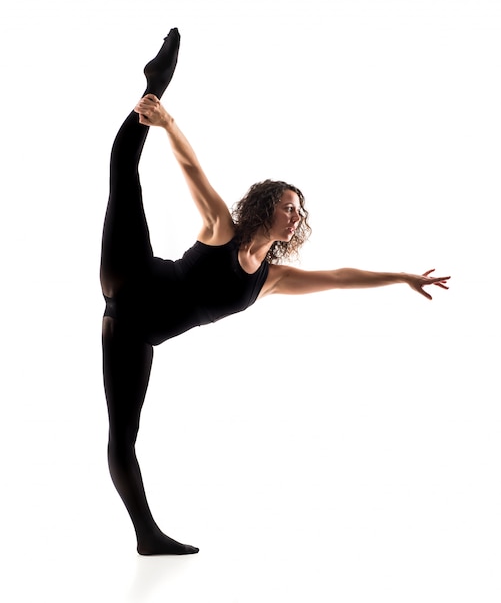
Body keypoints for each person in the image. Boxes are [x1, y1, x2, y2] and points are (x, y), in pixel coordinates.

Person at [100, 28, 450, 556]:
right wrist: (168, 123)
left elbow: (339, 277)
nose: (296, 215)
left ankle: (146, 538)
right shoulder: (223, 228)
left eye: (300, 211)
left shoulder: (271, 279)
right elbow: (194, 171)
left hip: (133, 332)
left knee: (124, 436)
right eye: (290, 206)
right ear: (266, 207)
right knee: (123, 172)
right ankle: (156, 87)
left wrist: (402, 277)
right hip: (133, 278)